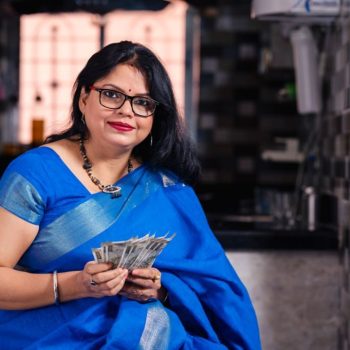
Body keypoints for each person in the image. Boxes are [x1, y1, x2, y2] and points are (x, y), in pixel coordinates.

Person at [0, 41, 261, 349]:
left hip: (144, 334)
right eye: (111, 94)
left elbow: (215, 288)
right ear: (84, 97)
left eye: (143, 102)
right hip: (47, 336)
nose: (126, 110)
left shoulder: (166, 187)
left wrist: (162, 290)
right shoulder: (36, 173)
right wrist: (78, 285)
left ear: (154, 116)